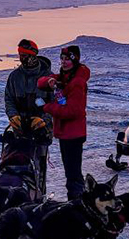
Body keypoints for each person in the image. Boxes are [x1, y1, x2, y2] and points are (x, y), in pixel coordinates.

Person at [38, 45, 90, 200]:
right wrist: (51, 81)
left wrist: (47, 107)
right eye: (62, 58)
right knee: (71, 172)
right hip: (66, 133)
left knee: (73, 173)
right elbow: (40, 82)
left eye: (68, 59)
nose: (64, 62)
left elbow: (72, 111)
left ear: (75, 60)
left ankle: (77, 204)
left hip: (73, 134)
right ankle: (76, 202)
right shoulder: (64, 77)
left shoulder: (77, 82)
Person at [4, 38, 52, 194]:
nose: (22, 58)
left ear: (34, 55)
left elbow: (56, 104)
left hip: (41, 130)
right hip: (20, 129)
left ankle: (40, 195)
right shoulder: (14, 77)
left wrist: (44, 119)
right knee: (17, 161)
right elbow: (9, 99)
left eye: (25, 54)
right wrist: (13, 116)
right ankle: (19, 193)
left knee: (39, 164)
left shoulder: (49, 78)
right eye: (20, 54)